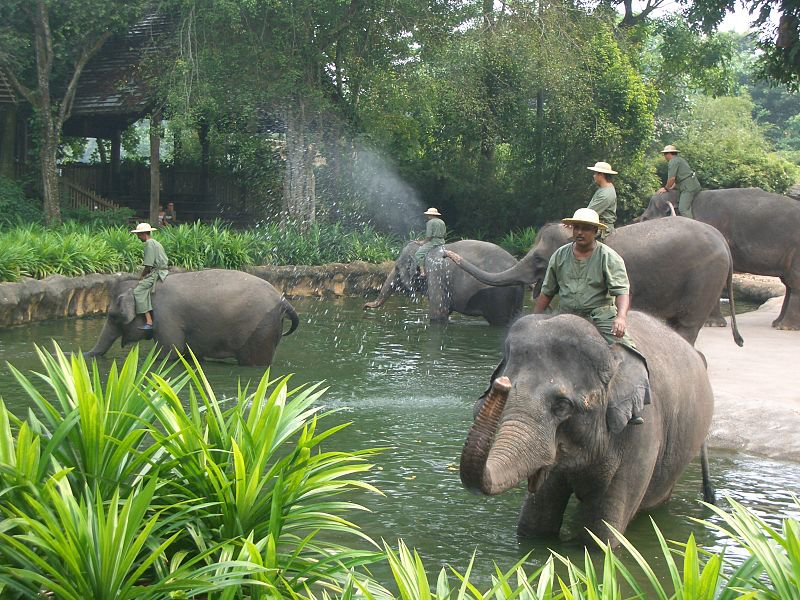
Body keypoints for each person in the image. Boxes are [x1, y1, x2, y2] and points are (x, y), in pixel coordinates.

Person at [534, 207, 647, 425]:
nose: (580, 232)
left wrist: (621, 318)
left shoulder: (607, 257)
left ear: (595, 231)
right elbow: (547, 291)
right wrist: (534, 320)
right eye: (577, 228)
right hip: (567, 315)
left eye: (586, 229)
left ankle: (628, 404)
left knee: (629, 353)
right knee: (528, 346)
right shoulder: (560, 255)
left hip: (599, 316)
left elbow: (621, 291)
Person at [130, 222, 169, 331]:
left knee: (138, 291)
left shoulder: (149, 244)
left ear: (143, 234)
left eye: (138, 235)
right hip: (163, 270)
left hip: (156, 272)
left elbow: (148, 265)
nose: (138, 237)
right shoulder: (156, 243)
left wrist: (142, 276)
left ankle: (149, 321)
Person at [658, 145, 701, 219]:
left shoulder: (672, 162)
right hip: (693, 184)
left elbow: (671, 178)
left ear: (669, 154)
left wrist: (665, 188)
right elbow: (680, 177)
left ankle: (692, 226)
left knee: (683, 209)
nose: (664, 156)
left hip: (688, 187)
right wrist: (671, 187)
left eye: (665, 154)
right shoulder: (680, 160)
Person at [585, 161, 618, 240]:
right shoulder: (604, 189)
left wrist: (576, 221)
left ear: (601, 175)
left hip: (602, 228)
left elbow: (591, 213)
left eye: (595, 173)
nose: (594, 176)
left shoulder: (606, 194)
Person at [415, 207, 446, 277]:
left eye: (428, 215)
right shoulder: (442, 222)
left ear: (431, 215)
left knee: (418, 254)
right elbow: (444, 234)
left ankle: (422, 272)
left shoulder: (430, 222)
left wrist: (422, 242)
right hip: (442, 241)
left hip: (434, 242)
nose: (427, 216)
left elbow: (429, 236)